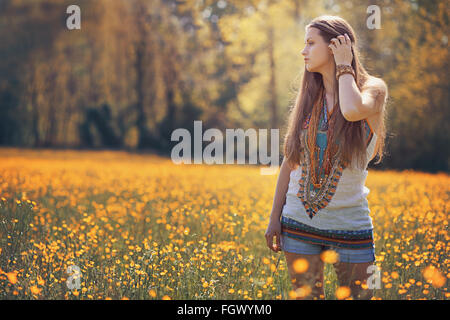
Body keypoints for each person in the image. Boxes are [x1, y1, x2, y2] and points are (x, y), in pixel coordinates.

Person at [265, 15, 388, 300]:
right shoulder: (309, 95)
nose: (303, 51)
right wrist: (274, 218)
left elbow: (352, 111)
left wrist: (344, 66)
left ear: (335, 46)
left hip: (351, 225)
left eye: (310, 43)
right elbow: (290, 160)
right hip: (297, 223)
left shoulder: (374, 89)